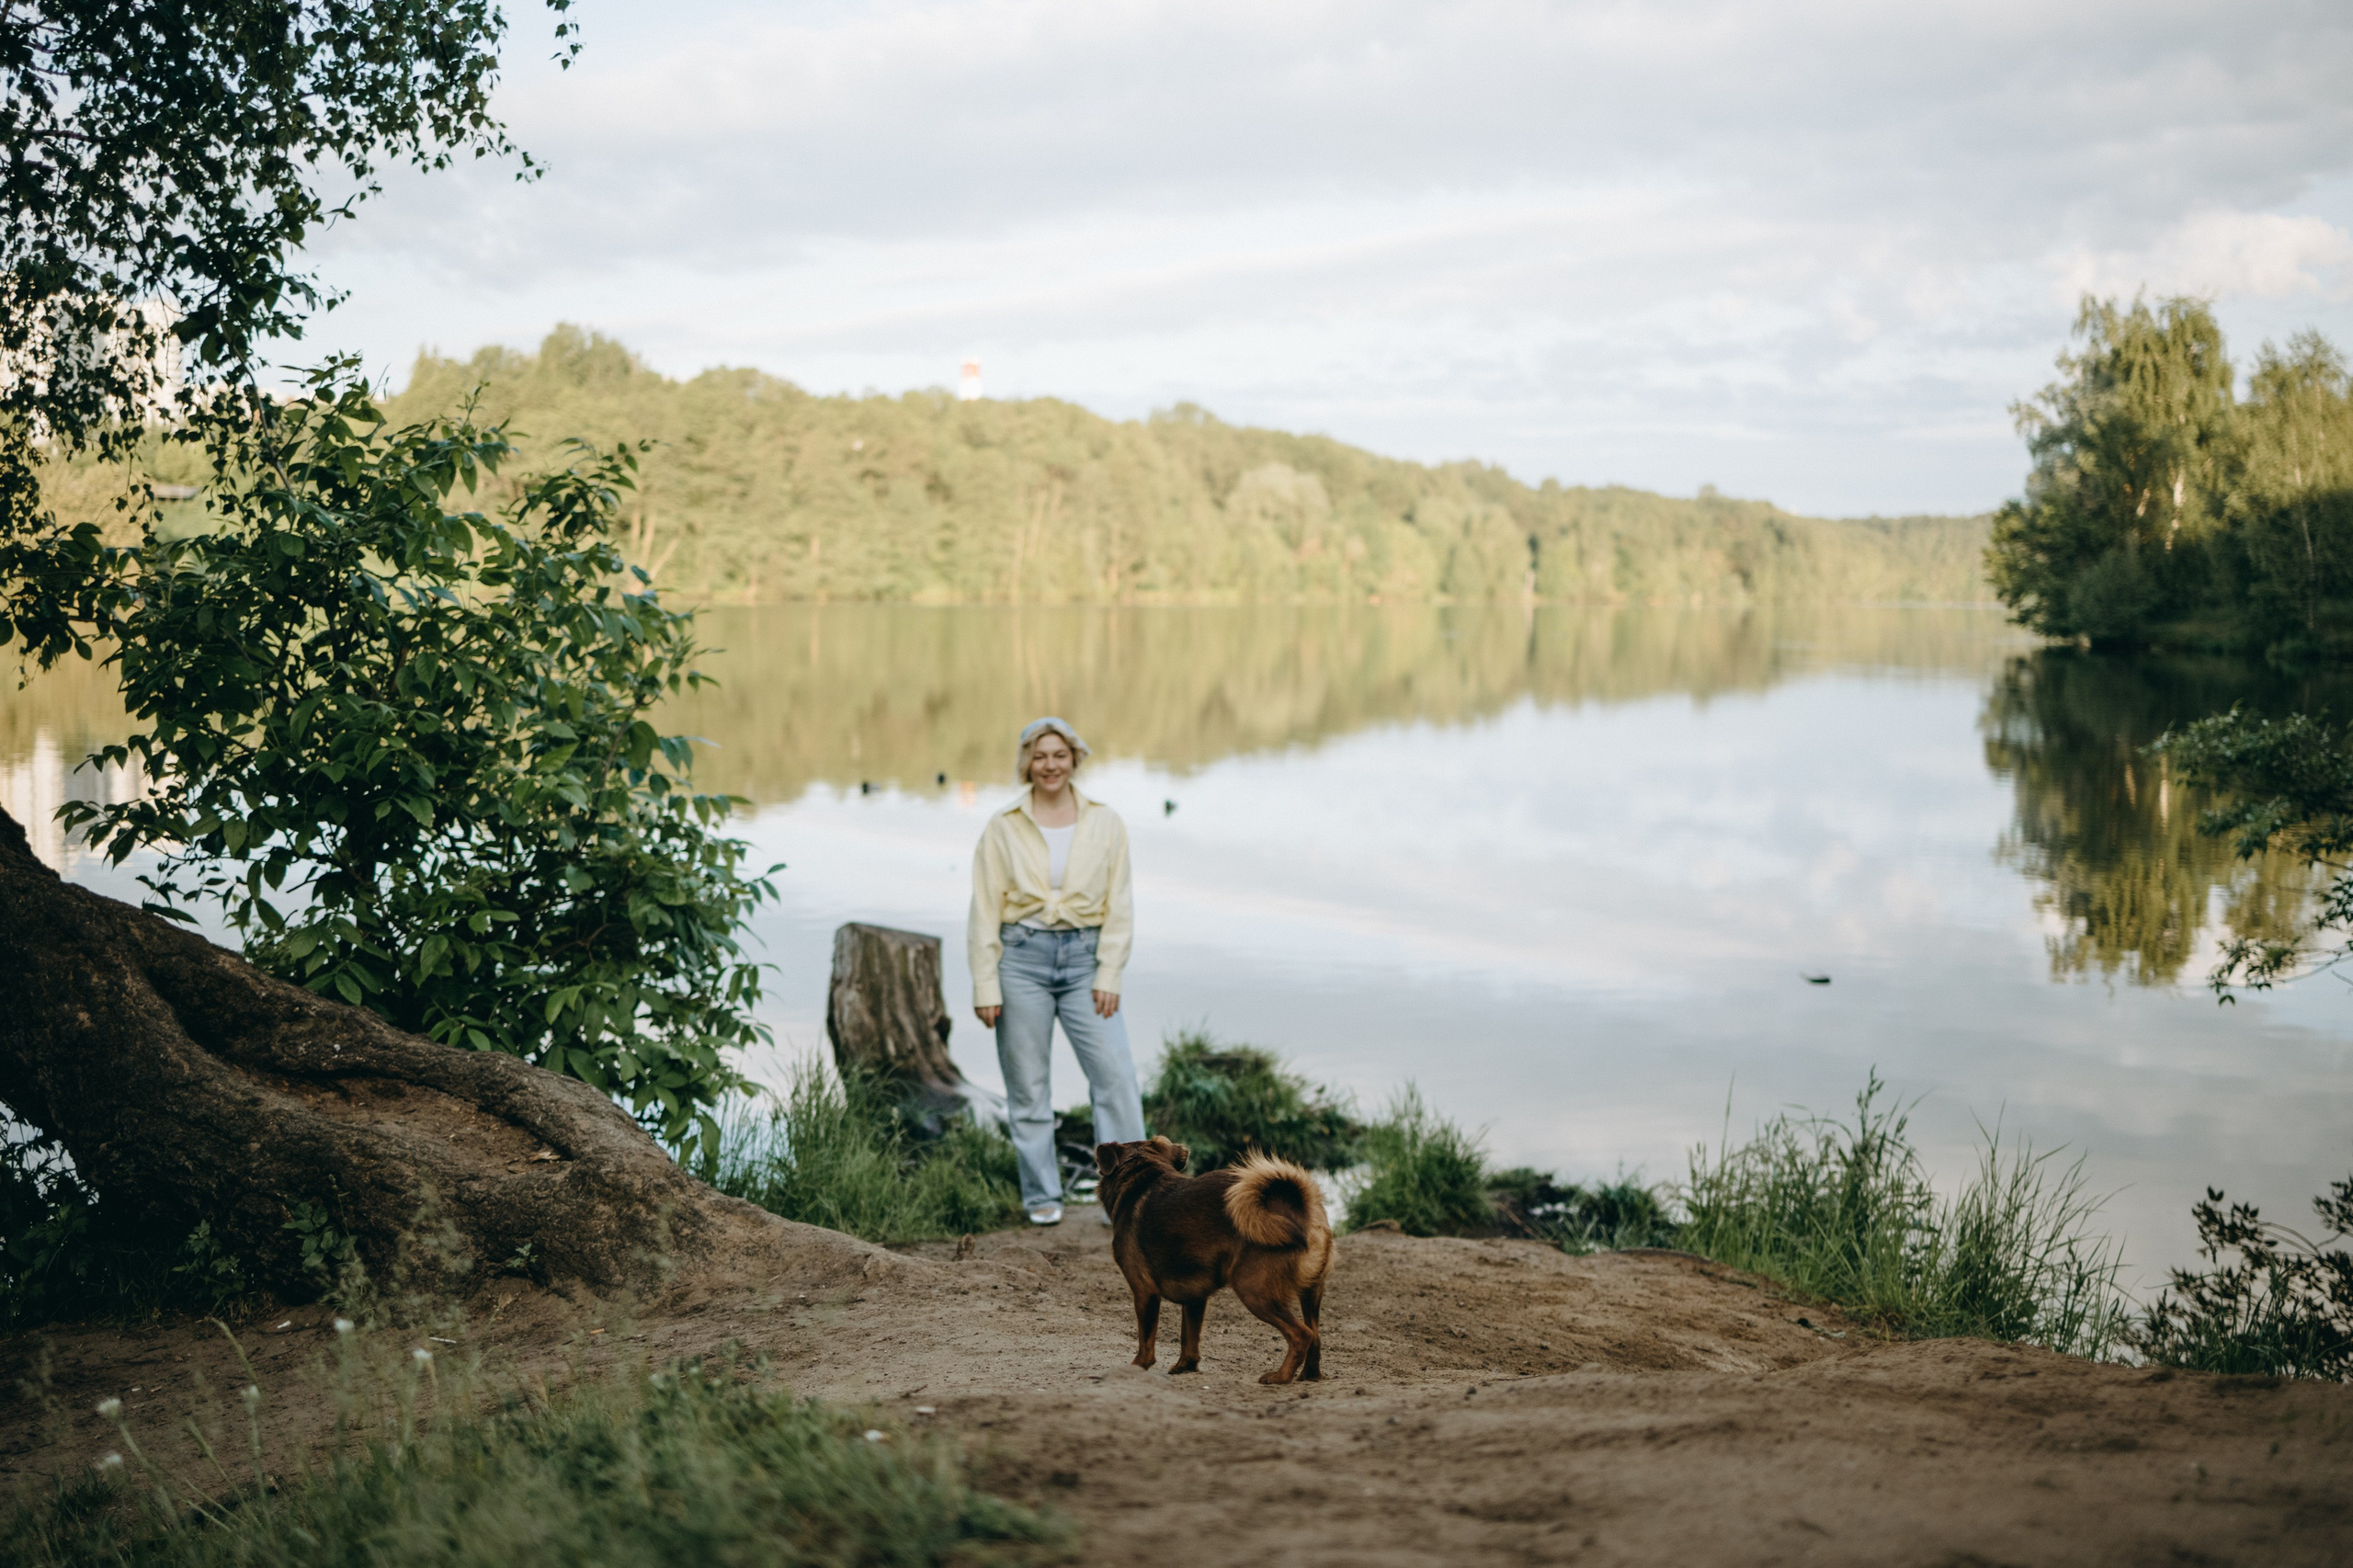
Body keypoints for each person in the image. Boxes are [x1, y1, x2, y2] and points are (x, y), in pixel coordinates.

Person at [969, 717, 1144, 1225]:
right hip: (1021, 961)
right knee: (1028, 1086)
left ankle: (1129, 1196)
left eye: (1059, 755)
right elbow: (984, 908)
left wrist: (1109, 972)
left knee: (1116, 1077)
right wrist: (985, 983)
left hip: (1086, 961)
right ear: (1027, 762)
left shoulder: (1106, 822)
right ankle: (1042, 1196)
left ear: (1074, 759)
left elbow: (1120, 904)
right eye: (1040, 756)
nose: (1050, 765)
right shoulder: (1003, 826)